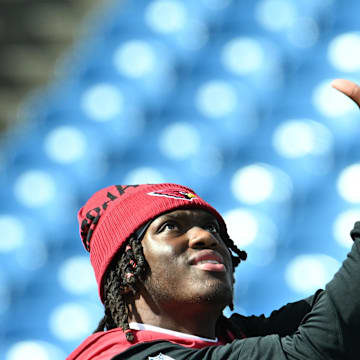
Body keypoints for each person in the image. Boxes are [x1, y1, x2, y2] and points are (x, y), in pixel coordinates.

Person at [67, 79, 360, 360]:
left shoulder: (234, 336)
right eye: (170, 227)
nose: (205, 237)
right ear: (128, 267)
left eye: (211, 228)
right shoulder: (120, 356)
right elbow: (318, 351)